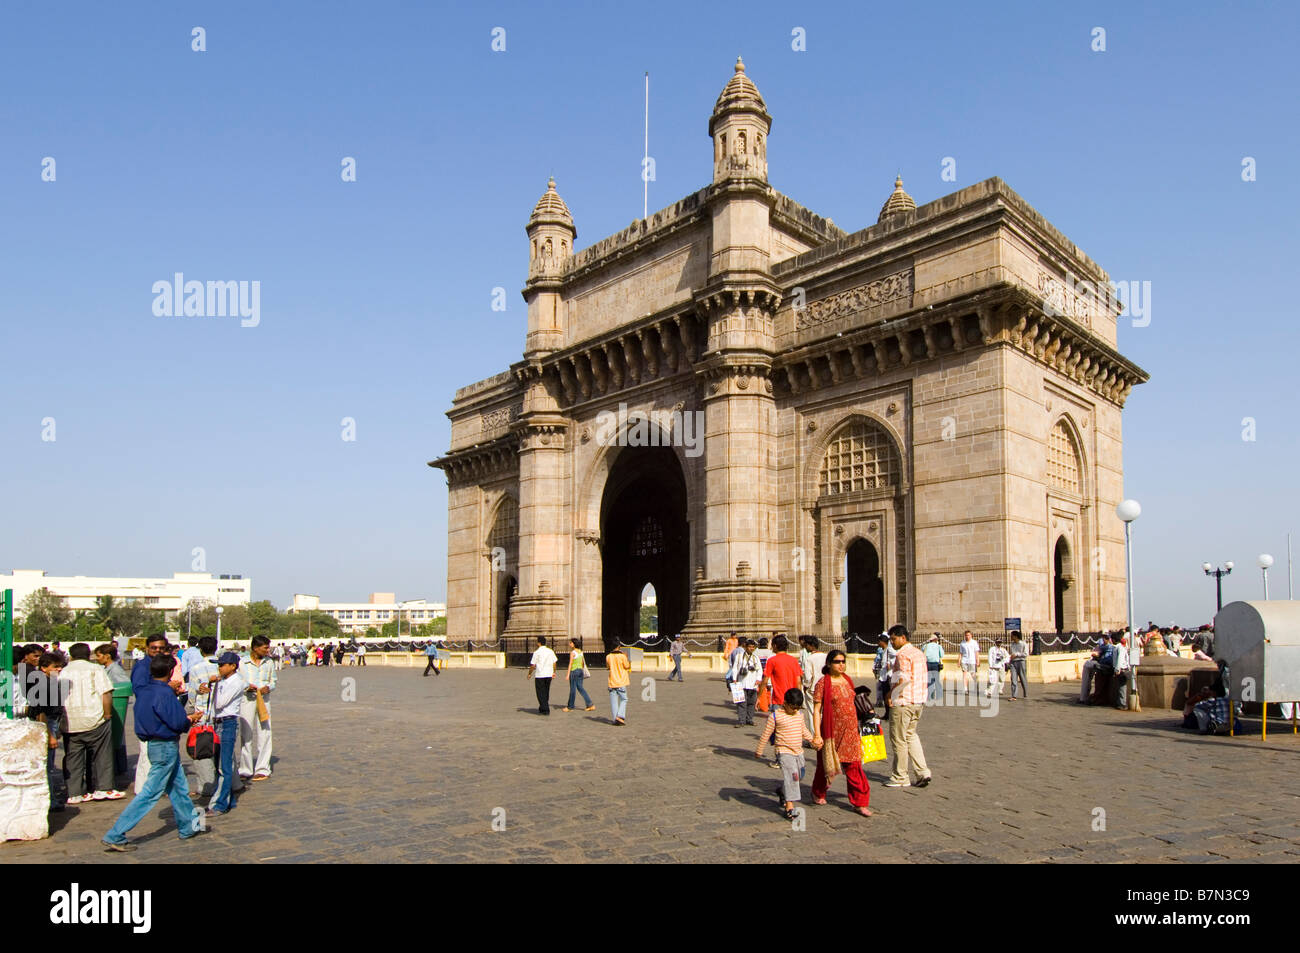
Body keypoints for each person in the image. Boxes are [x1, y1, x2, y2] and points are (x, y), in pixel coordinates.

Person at [101, 653, 207, 851]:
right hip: (165, 745)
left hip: (154, 743)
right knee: (150, 793)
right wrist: (189, 720)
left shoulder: (144, 691)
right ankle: (116, 833)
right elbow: (177, 721)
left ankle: (189, 826)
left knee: (179, 787)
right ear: (169, 673)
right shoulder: (164, 694)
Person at [810, 650, 872, 816]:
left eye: (843, 661)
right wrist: (817, 734)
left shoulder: (848, 680)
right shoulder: (823, 683)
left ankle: (860, 802)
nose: (841, 664)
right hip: (831, 732)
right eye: (837, 662)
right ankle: (818, 791)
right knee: (826, 766)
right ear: (829, 664)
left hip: (851, 731)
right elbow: (817, 710)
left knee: (854, 766)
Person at [60, 643, 123, 803]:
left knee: (73, 758)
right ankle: (103, 788)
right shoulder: (95, 669)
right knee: (102, 755)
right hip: (94, 719)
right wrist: (107, 714)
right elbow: (106, 693)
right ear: (89, 655)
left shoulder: (64, 672)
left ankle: (75, 793)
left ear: (71, 655)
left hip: (71, 721)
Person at [755, 686, 819, 820]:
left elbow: (804, 730)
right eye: (793, 707)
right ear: (785, 703)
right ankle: (789, 806)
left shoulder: (799, 715)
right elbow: (766, 734)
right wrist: (759, 750)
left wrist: (812, 740)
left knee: (799, 775)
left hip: (798, 751)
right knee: (792, 776)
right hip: (783, 751)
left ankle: (783, 791)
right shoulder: (776, 716)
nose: (795, 710)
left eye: (798, 708)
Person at [885, 625, 932, 789]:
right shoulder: (919, 653)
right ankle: (923, 772)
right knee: (911, 736)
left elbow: (903, 679)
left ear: (903, 638)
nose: (892, 643)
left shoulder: (903, 654)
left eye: (894, 639)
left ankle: (900, 776)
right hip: (918, 700)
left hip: (903, 701)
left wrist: (891, 694)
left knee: (899, 739)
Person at [206, 652, 247, 816]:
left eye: (222, 665)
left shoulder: (236, 682)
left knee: (225, 766)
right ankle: (227, 798)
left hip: (228, 723)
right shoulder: (223, 681)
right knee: (220, 764)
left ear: (232, 666)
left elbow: (220, 702)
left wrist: (215, 685)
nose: (219, 668)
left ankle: (220, 804)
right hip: (218, 722)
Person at [29, 652, 69, 812]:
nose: (59, 669)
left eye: (60, 666)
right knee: (47, 766)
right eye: (55, 667)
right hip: (47, 725)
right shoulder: (43, 685)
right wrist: (50, 735)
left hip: (51, 724)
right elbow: (41, 713)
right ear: (44, 668)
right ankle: (50, 801)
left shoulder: (48, 682)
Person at [185, 636, 221, 798]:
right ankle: (229, 782)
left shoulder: (197, 668)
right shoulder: (224, 665)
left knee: (203, 750)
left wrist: (191, 712)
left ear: (200, 650)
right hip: (222, 714)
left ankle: (205, 786)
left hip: (203, 715)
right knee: (223, 750)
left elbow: (192, 694)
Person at [239, 635, 276, 782]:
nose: (268, 650)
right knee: (246, 734)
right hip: (247, 700)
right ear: (255, 648)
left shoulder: (269, 663)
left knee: (265, 733)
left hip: (264, 701)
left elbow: (273, 680)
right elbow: (238, 681)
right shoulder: (242, 663)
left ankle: (262, 768)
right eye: (265, 647)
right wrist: (247, 687)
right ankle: (245, 768)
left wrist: (269, 687)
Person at [93, 642, 130, 778]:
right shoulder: (106, 668)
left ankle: (119, 768)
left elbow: (124, 685)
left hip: (115, 707)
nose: (97, 658)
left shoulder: (115, 669)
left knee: (116, 739)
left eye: (99, 656)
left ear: (107, 656)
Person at [764, 635, 803, 714]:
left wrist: (758, 697)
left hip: (778, 699)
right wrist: (799, 697)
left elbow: (765, 680)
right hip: (793, 699)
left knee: (778, 724)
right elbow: (798, 681)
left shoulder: (772, 660)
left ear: (775, 645)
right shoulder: (794, 660)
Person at [730, 640, 763, 727]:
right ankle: (741, 721)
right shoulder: (739, 656)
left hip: (753, 683)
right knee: (741, 702)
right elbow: (735, 668)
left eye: (753, 647)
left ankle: (749, 719)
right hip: (741, 682)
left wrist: (758, 679)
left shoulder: (755, 657)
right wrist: (734, 679)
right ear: (745, 647)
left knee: (751, 702)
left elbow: (759, 669)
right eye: (750, 646)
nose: (751, 648)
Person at [1077, 635, 1114, 704]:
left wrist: (1096, 654)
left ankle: (1083, 697)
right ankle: (1084, 696)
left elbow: (1099, 653)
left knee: (1087, 666)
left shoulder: (1109, 647)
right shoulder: (1109, 646)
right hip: (1105, 664)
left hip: (1105, 665)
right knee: (1088, 668)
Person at [562, 638, 595, 712]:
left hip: (574, 671)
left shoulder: (573, 653)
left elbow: (570, 664)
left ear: (574, 644)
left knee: (573, 689)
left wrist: (567, 674)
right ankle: (590, 704)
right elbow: (582, 663)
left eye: (570, 643)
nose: (569, 644)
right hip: (580, 671)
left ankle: (570, 706)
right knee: (580, 688)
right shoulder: (580, 652)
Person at [527, 636, 557, 715]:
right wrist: (554, 672)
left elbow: (533, 665)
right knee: (546, 691)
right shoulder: (550, 651)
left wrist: (529, 673)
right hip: (549, 674)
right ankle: (542, 707)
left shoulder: (537, 652)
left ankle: (545, 709)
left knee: (540, 692)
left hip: (540, 674)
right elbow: (554, 662)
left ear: (538, 643)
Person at [606, 643, 631, 725]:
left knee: (614, 701)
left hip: (612, 681)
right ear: (618, 647)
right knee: (624, 699)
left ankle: (615, 719)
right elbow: (627, 666)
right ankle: (620, 716)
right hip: (621, 681)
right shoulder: (622, 656)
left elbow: (608, 667)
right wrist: (627, 658)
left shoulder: (608, 656)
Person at [873, 634, 896, 713]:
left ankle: (889, 712)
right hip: (883, 676)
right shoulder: (884, 650)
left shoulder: (889, 649)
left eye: (879, 641)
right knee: (884, 695)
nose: (878, 643)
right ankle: (887, 712)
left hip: (888, 676)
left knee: (888, 695)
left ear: (882, 642)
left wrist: (890, 663)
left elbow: (896, 656)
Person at [1111, 632, 1131, 708]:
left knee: (1122, 687)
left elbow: (1120, 659)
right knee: (1121, 687)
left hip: (1122, 669)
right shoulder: (1120, 647)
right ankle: (1121, 702)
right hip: (1123, 668)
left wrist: (1117, 669)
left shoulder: (1120, 648)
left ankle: (1122, 704)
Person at [1007, 631, 1029, 700]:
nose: (1011, 637)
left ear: (1016, 636)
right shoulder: (1012, 644)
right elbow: (1011, 653)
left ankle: (1025, 693)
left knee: (1023, 678)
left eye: (1012, 636)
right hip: (1013, 662)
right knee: (1013, 679)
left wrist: (1017, 654)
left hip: (1021, 662)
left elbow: (1026, 654)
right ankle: (1014, 695)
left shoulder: (1023, 644)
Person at [923, 634, 944, 701]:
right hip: (935, 664)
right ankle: (938, 695)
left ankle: (930, 695)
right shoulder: (938, 646)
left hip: (927, 664)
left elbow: (922, 653)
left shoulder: (925, 646)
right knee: (936, 679)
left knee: (929, 680)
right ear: (936, 640)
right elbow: (942, 655)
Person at [958, 631, 979, 695]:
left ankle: (976, 685)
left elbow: (976, 652)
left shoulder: (974, 642)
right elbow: (960, 653)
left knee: (973, 674)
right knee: (965, 674)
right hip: (964, 660)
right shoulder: (962, 643)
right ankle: (965, 689)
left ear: (971, 635)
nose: (967, 636)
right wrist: (959, 661)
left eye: (968, 635)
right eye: (966, 635)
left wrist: (978, 660)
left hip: (972, 661)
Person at [722, 632, 739, 697]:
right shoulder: (729, 641)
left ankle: (731, 677)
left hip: (736, 654)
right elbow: (726, 647)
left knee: (734, 667)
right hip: (730, 654)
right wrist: (725, 654)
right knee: (731, 666)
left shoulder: (736, 641)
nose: (734, 636)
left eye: (735, 635)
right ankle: (727, 677)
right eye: (733, 635)